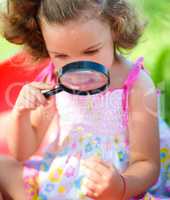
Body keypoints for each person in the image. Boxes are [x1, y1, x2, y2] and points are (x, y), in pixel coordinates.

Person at [0, 0, 161, 199]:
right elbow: (22, 153)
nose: (78, 68)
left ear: (115, 29)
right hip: (62, 179)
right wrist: (20, 114)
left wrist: (121, 187)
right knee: (2, 167)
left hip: (111, 182)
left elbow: (147, 164)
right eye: (60, 55)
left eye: (91, 51)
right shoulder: (52, 79)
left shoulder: (137, 85)